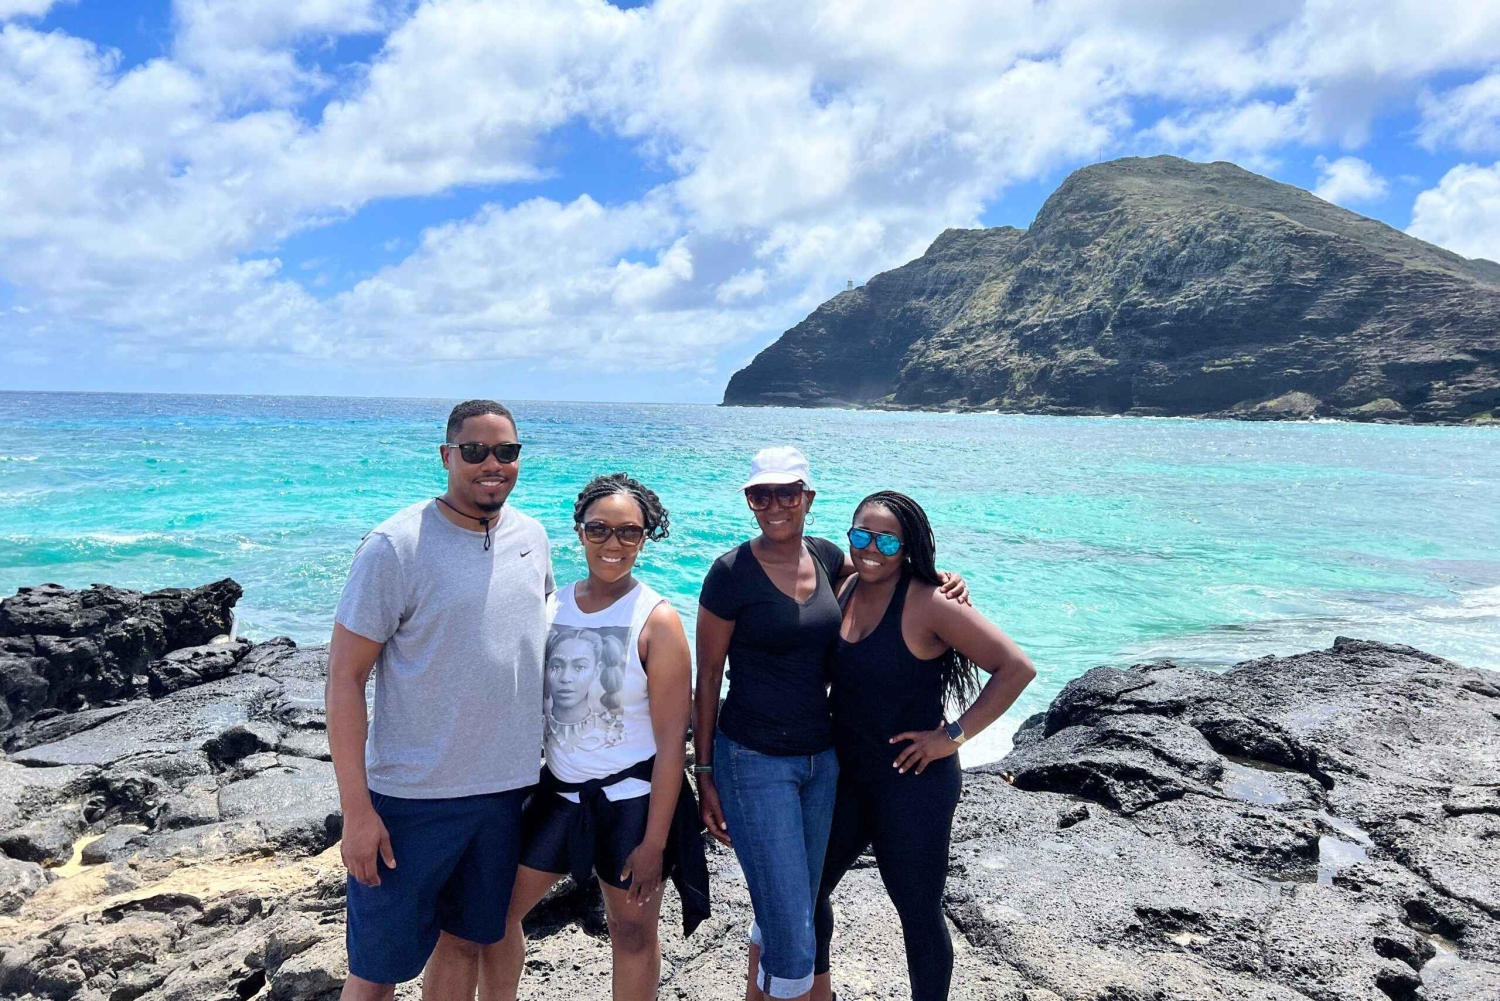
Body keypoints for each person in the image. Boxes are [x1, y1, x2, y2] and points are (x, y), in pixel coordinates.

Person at [694, 447, 968, 1001]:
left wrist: (940, 579)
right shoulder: (730, 574)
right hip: (762, 759)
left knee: (823, 902)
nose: (774, 505)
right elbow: (708, 680)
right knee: (797, 913)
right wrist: (704, 772)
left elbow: (883, 574)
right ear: (749, 501)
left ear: (808, 499)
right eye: (760, 494)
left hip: (832, 764)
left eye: (787, 492)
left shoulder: (826, 559)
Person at [326, 399, 553, 1001]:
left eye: (506, 452)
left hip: (506, 794)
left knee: (466, 943)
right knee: (376, 970)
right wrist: (358, 811)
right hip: (410, 799)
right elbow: (344, 679)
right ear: (447, 456)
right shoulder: (394, 547)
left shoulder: (533, 538)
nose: (491, 464)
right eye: (475, 451)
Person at [482, 472, 706, 1001]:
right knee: (493, 915)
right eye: (600, 529)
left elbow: (674, 744)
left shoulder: (659, 620)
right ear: (579, 532)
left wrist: (655, 842)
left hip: (631, 803)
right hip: (557, 795)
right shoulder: (552, 606)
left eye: (629, 532)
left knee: (631, 935)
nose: (614, 544)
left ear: (646, 537)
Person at [812, 491, 1036, 1001]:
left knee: (917, 911)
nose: (872, 548)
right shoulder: (844, 585)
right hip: (848, 778)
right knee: (809, 891)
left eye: (887, 539)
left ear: (907, 544)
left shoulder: (929, 601)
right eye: (861, 535)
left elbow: (1016, 668)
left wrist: (951, 736)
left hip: (913, 786)